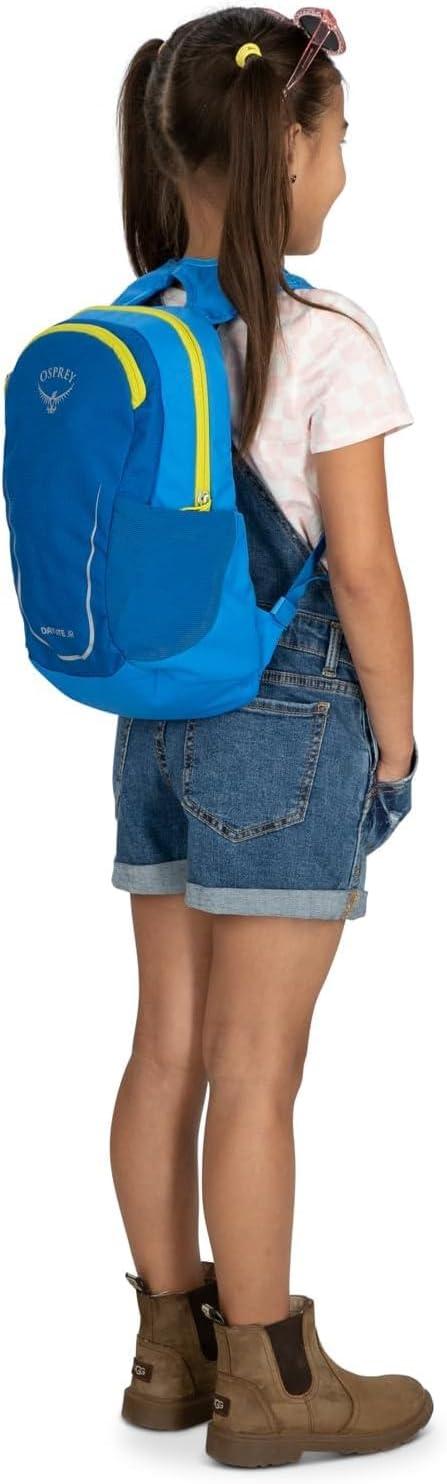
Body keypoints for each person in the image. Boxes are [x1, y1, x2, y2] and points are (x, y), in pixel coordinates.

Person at [109, 7, 431, 1462]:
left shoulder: (136, 331)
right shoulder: (325, 338)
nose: (347, 170)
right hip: (286, 731)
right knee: (258, 1069)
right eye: (340, 139)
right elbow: (362, 574)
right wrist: (398, 744)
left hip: (153, 731)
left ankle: (168, 1355)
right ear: (285, 148)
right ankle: (272, 1382)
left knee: (167, 1050)